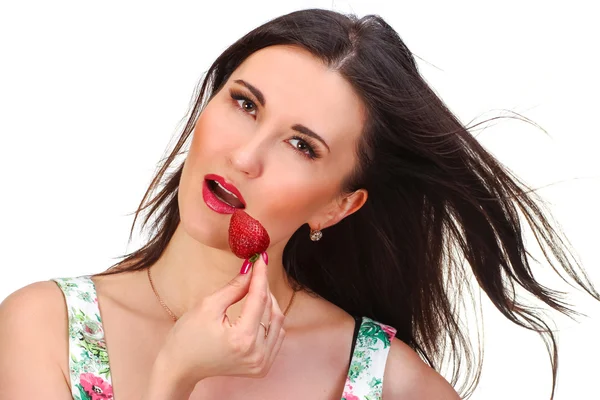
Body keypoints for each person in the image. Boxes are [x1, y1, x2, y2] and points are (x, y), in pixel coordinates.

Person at [0, 8, 597, 400]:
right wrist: (174, 376)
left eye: (301, 145)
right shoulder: (47, 327)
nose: (246, 155)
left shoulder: (389, 383)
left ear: (338, 206)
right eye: (245, 104)